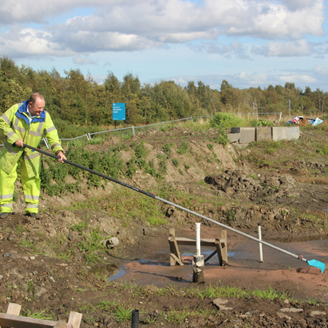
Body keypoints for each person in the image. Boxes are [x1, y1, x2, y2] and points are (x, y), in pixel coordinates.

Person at [0, 92, 66, 219]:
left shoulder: (45, 116)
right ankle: (5, 207)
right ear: (30, 104)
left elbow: (52, 135)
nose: (41, 111)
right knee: (6, 177)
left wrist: (58, 151)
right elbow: (2, 122)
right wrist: (14, 138)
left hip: (31, 154)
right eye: (39, 108)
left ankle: (32, 208)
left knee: (32, 178)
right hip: (12, 151)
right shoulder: (16, 110)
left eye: (43, 108)